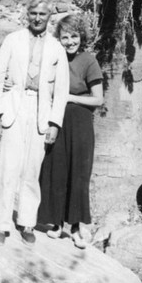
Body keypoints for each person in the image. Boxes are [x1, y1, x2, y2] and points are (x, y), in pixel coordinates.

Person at [0, 0, 69, 246]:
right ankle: (1, 224)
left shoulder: (57, 47)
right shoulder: (13, 40)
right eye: (33, 13)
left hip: (40, 112)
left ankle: (27, 223)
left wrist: (55, 123)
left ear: (49, 17)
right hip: (15, 106)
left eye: (42, 14)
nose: (37, 18)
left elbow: (62, 89)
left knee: (32, 171)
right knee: (9, 167)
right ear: (27, 14)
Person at [38, 13, 103, 249]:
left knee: (79, 174)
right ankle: (56, 223)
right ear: (59, 39)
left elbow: (98, 100)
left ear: (81, 37)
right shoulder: (55, 58)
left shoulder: (88, 60)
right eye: (65, 37)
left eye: (74, 36)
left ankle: (76, 227)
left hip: (81, 123)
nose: (70, 42)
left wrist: (69, 97)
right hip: (57, 122)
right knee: (55, 170)